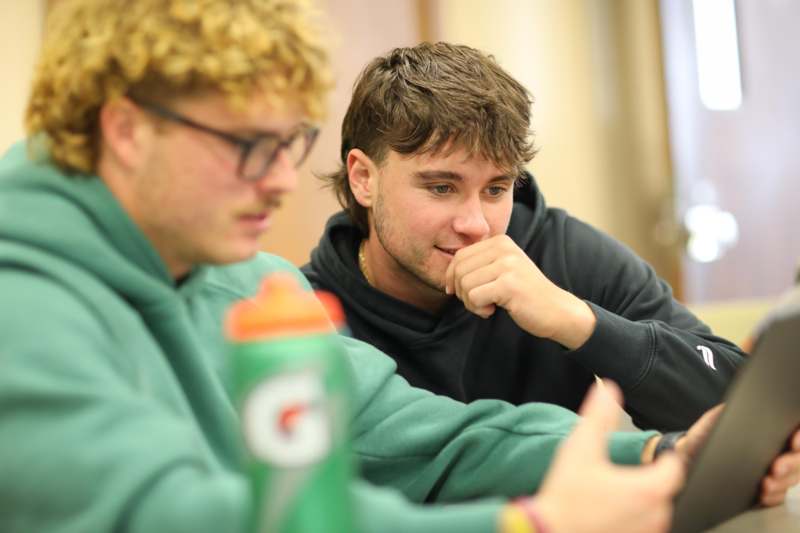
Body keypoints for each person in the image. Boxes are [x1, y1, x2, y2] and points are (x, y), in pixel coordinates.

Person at [0, 2, 797, 533]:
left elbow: (427, 438)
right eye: (248, 146)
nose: (279, 181)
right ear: (128, 130)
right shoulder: (21, 301)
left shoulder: (251, 281)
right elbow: (170, 514)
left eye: (288, 145)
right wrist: (528, 523)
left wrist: (656, 455)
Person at [304, 41, 746, 431]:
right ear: (364, 178)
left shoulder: (562, 253)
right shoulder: (307, 313)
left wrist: (577, 322)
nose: (476, 224)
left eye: (496, 189)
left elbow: (740, 407)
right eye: (441, 188)